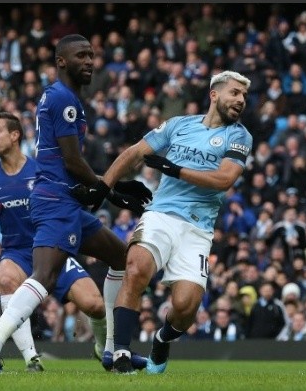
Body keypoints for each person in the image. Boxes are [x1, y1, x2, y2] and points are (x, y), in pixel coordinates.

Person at [0, 34, 153, 373]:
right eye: (81, 55)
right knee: (45, 276)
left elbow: (68, 160)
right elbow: (71, 160)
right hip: (56, 200)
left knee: (121, 258)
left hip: (64, 199)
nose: (89, 61)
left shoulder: (62, 98)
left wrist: (106, 187)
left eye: (91, 55)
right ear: (61, 61)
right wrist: (108, 189)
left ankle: (110, 350)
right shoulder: (64, 99)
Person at [92, 70, 253, 373]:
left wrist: (174, 169)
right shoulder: (179, 125)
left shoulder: (239, 135)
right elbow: (135, 152)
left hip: (198, 228)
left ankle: (162, 339)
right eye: (235, 93)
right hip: (161, 214)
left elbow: (224, 179)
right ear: (214, 95)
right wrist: (103, 188)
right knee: (136, 267)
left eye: (244, 96)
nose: (241, 100)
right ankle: (122, 353)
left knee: (185, 308)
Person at [0, 112, 102, 371]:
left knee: (95, 305)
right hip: (18, 254)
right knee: (4, 276)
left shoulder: (42, 172)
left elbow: (69, 210)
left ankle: (102, 349)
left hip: (52, 249)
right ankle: (31, 360)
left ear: (15, 135)